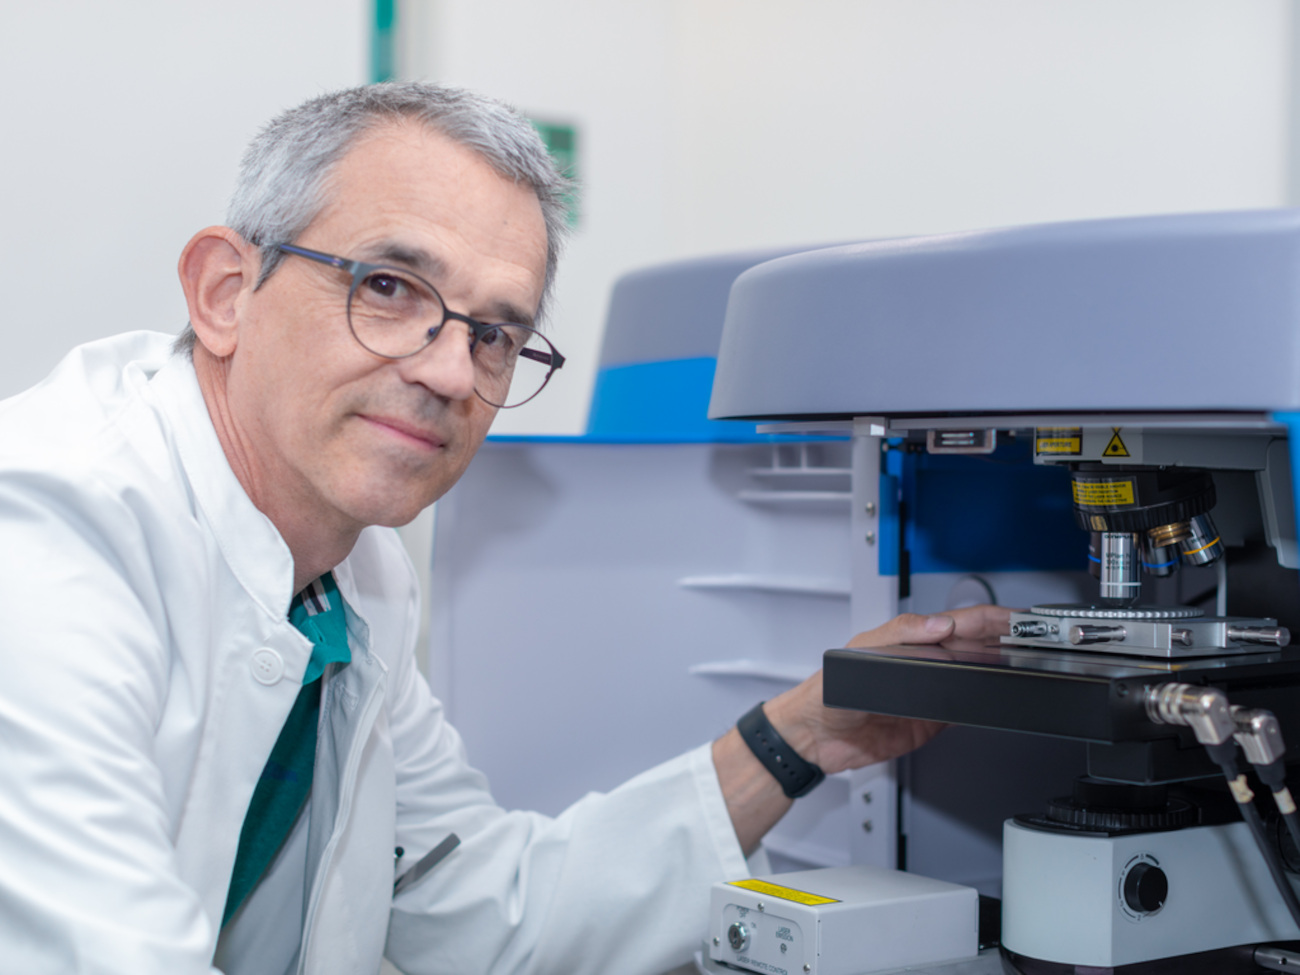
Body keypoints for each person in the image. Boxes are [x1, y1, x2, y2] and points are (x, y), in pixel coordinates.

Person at [0, 82, 1009, 975]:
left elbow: (490, 914)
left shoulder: (358, 579)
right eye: (388, 288)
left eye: (494, 334)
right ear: (226, 294)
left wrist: (801, 734)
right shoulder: (46, 538)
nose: (449, 372)